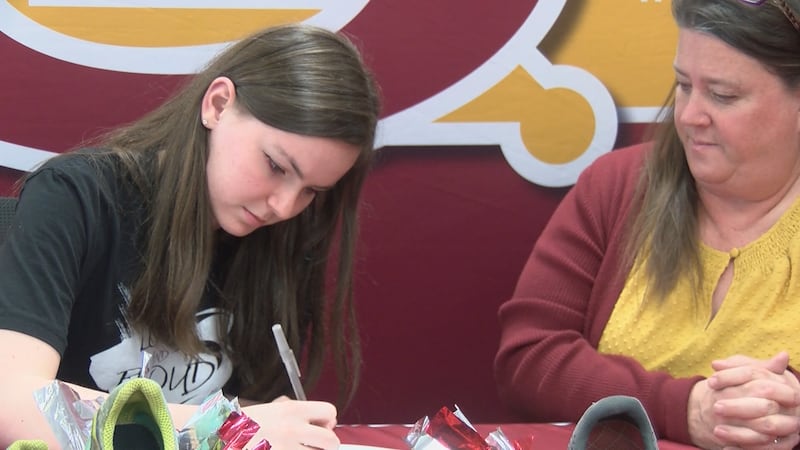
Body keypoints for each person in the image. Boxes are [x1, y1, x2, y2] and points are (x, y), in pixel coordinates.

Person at [0, 22, 380, 448]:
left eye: (311, 190)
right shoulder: (75, 198)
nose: (284, 207)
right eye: (275, 166)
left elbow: (256, 408)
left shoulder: (280, 237)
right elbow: (12, 404)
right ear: (217, 105)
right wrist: (228, 427)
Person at [494, 0, 800, 449]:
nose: (690, 116)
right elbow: (528, 360)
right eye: (682, 85)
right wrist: (684, 408)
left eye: (723, 95)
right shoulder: (617, 187)